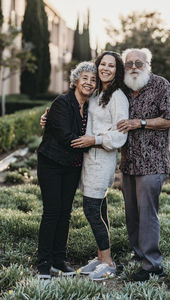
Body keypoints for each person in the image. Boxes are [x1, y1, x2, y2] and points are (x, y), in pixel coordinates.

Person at [117, 48, 170, 282]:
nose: (133, 67)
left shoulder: (161, 84)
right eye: (129, 63)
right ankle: (139, 254)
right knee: (132, 214)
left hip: (153, 162)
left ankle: (153, 265)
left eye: (139, 63)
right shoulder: (122, 87)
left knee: (147, 214)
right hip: (128, 162)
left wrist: (139, 123)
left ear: (147, 65)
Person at [70, 51, 130, 280]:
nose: (105, 68)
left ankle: (109, 263)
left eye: (111, 65)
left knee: (92, 210)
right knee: (100, 209)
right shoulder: (97, 94)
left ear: (117, 70)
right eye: (102, 64)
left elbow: (120, 134)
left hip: (102, 159)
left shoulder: (118, 97)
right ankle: (100, 257)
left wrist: (94, 139)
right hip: (88, 159)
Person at [37, 61, 97, 279]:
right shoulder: (62, 102)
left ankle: (59, 260)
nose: (89, 83)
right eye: (85, 78)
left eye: (93, 80)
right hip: (51, 164)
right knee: (52, 212)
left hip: (72, 166)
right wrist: (98, 141)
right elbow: (66, 137)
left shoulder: (91, 106)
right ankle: (43, 263)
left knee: (65, 214)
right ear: (76, 81)